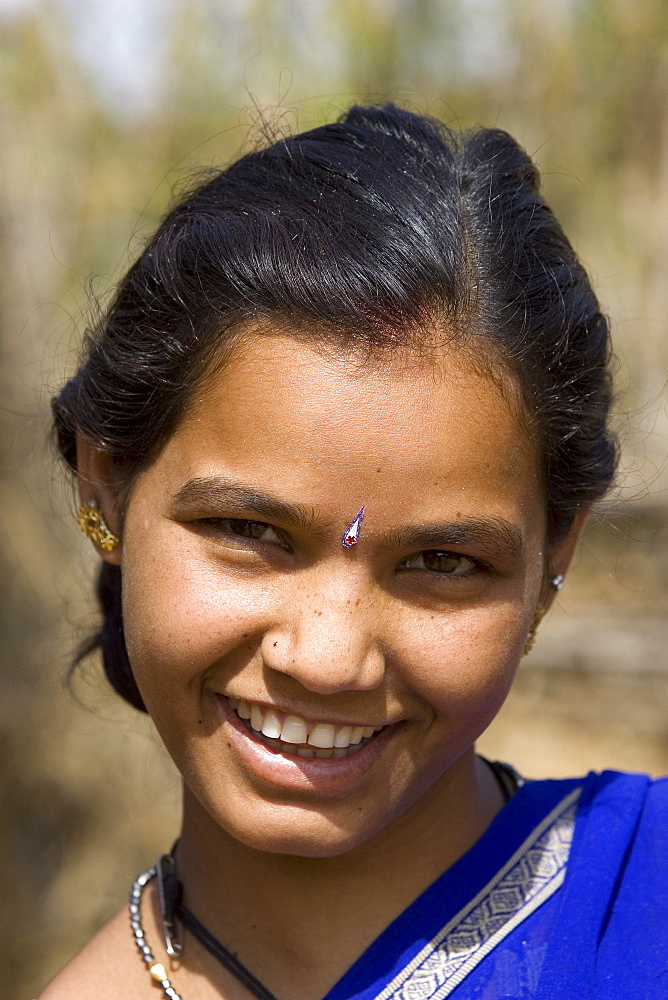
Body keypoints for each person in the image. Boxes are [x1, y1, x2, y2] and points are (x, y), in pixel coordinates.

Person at [41, 104, 666, 1000]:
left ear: (551, 557)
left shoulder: (644, 908)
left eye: (444, 562)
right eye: (249, 533)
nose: (330, 661)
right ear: (105, 483)